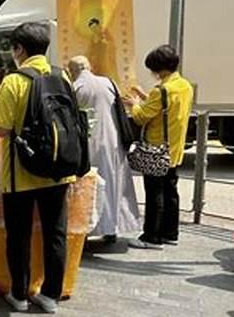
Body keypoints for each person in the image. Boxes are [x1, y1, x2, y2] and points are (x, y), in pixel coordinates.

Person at [0, 22, 76, 315]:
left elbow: (0, 129)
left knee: (19, 235)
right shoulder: (62, 75)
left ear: (19, 50)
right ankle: (51, 295)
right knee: (56, 233)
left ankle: (19, 294)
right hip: (58, 170)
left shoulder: (14, 82)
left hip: (21, 175)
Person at [124, 45, 194, 249]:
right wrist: (144, 96)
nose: (152, 73)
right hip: (174, 148)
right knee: (171, 191)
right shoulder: (184, 86)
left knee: (155, 192)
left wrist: (134, 104)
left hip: (156, 149)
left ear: (160, 68)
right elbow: (164, 108)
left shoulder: (161, 90)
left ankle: (151, 237)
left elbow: (141, 117)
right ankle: (170, 233)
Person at [68, 55, 139, 243]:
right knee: (115, 185)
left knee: (90, 188)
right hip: (113, 140)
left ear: (72, 71)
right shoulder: (108, 83)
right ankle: (112, 228)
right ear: (89, 66)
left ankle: (88, 229)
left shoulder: (75, 88)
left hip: (89, 144)